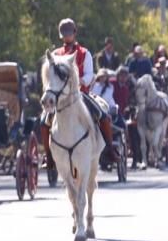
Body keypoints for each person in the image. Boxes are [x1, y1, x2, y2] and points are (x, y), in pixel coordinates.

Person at [42, 18, 116, 164]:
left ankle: (109, 149)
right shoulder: (55, 55)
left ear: (75, 33)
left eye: (69, 33)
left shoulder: (84, 53)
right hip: (60, 97)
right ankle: (49, 155)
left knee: (102, 115)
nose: (66, 36)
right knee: (43, 122)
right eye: (64, 34)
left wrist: (79, 81)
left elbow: (89, 74)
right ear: (60, 35)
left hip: (80, 94)